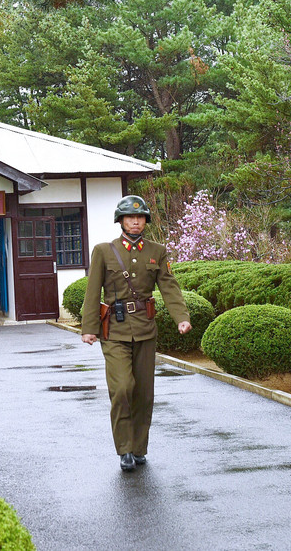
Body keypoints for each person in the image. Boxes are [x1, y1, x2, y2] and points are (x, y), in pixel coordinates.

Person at [81, 195, 192, 472]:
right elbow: (93, 291)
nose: (135, 221)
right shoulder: (104, 251)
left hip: (145, 329)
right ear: (120, 220)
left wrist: (182, 317)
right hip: (114, 331)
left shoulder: (157, 250)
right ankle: (124, 449)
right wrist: (89, 328)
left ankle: (139, 448)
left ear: (145, 221)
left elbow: (169, 286)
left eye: (140, 217)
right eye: (130, 217)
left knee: (144, 393)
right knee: (122, 389)